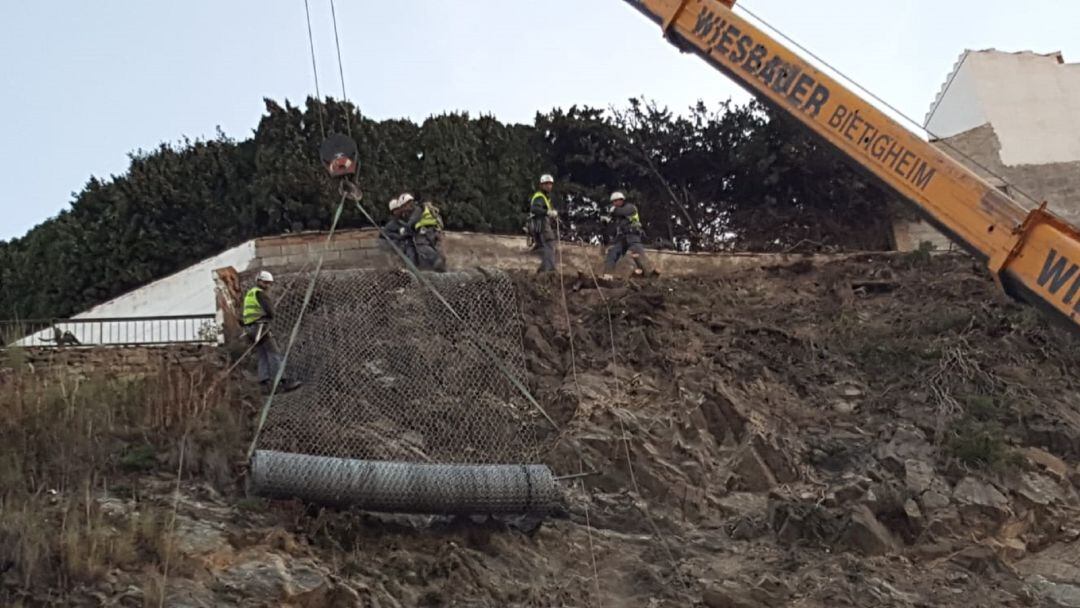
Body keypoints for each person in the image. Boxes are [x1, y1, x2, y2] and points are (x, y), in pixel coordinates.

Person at [242, 271, 300, 394]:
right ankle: (283, 382)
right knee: (274, 354)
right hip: (261, 328)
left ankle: (265, 384)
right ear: (259, 281)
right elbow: (271, 313)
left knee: (262, 355)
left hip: (250, 329)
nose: (267, 285)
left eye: (269, 283)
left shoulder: (250, 294)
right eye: (265, 283)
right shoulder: (261, 294)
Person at [602, 191, 656, 279]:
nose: (614, 204)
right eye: (613, 202)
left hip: (633, 236)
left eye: (615, 201)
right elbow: (612, 227)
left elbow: (623, 212)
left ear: (621, 200)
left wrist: (613, 211)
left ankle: (649, 274)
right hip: (622, 238)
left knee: (638, 254)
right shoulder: (617, 215)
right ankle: (607, 276)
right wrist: (606, 221)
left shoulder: (630, 208)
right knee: (613, 253)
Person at [403, 194, 447, 272]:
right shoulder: (426, 208)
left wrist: (405, 231)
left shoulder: (418, 209)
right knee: (429, 250)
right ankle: (437, 266)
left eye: (405, 206)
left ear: (409, 203)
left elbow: (412, 222)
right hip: (434, 231)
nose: (405, 209)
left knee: (421, 246)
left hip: (426, 231)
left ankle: (437, 260)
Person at [529, 174, 558, 273]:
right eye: (546, 184)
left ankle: (541, 269)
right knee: (549, 242)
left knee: (542, 245)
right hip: (540, 224)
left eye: (550, 184)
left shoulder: (545, 198)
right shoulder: (539, 197)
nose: (549, 186)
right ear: (541, 185)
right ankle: (549, 270)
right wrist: (548, 212)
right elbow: (535, 209)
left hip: (536, 225)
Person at [380, 195, 419, 266]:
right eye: (397, 209)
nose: (400, 210)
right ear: (393, 212)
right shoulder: (390, 225)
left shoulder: (405, 220)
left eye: (400, 208)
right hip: (400, 250)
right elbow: (385, 235)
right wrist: (398, 237)